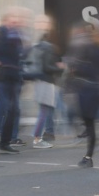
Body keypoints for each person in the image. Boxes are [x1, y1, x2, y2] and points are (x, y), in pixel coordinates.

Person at [0, 8, 29, 154]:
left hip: (14, 75)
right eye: (13, 18)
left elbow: (20, 53)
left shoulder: (17, 35)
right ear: (6, 20)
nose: (16, 21)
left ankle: (6, 140)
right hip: (3, 75)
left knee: (13, 109)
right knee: (4, 107)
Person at [65, 23, 99, 168]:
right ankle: (89, 154)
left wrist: (76, 66)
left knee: (88, 123)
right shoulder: (97, 48)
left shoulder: (91, 49)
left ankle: (88, 156)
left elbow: (90, 69)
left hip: (88, 88)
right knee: (89, 124)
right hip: (90, 88)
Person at [28, 19, 63, 149]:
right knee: (44, 111)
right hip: (47, 82)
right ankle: (37, 138)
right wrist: (60, 67)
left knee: (44, 110)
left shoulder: (37, 46)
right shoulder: (49, 48)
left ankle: (38, 136)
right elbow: (48, 67)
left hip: (39, 81)